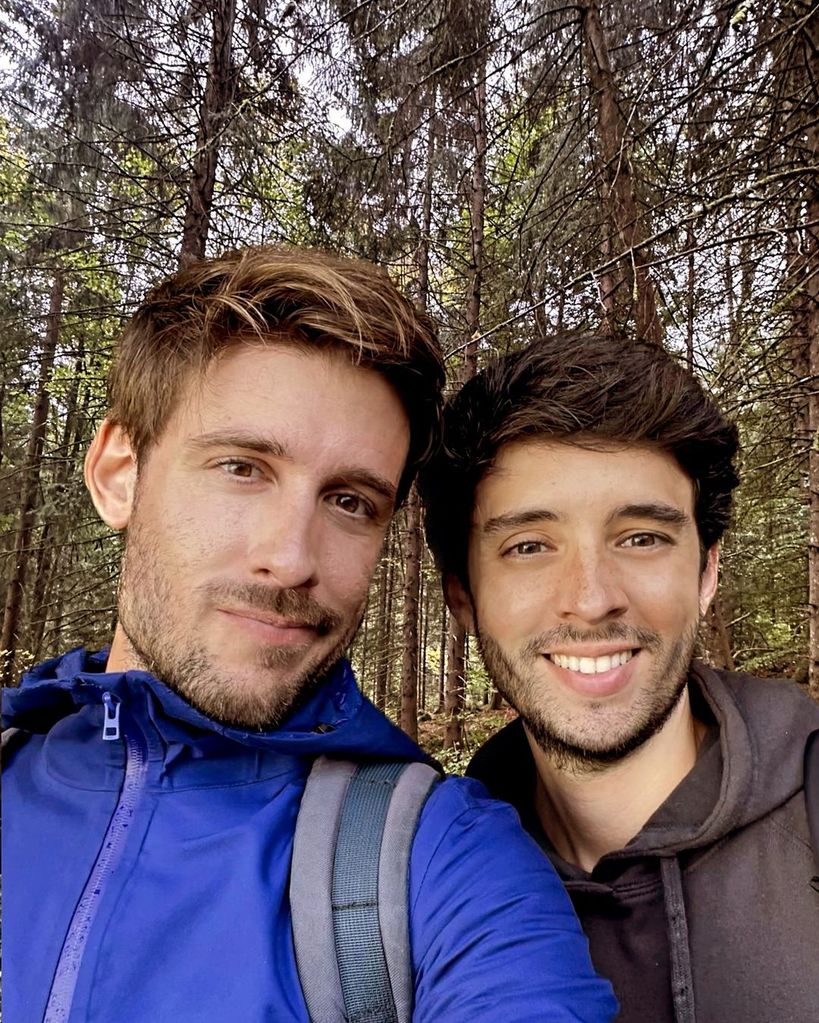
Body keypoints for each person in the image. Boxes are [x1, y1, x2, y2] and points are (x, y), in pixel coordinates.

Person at [2, 250, 616, 1023]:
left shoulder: (441, 859)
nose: (292, 558)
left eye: (351, 501)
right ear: (118, 473)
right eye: (241, 467)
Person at [419, 333, 819, 1023]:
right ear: (463, 597)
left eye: (641, 537)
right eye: (529, 546)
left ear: (705, 571)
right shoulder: (422, 877)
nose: (592, 595)